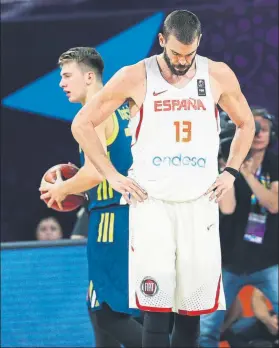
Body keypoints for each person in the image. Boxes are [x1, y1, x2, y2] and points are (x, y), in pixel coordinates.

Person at [70, 10, 255, 347]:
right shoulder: (135, 76)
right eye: (175, 54)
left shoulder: (216, 75)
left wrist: (230, 171)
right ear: (161, 42)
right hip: (152, 204)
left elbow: (247, 124)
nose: (183, 61)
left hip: (199, 205)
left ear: (199, 44)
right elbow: (82, 124)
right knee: (155, 308)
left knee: (191, 311)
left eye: (189, 53)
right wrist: (111, 174)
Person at [39, 47, 142, 347]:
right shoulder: (125, 106)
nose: (61, 82)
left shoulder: (92, 113)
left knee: (106, 313)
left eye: (67, 75)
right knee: (121, 312)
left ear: (88, 76)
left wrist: (60, 189)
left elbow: (96, 173)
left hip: (111, 219)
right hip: (137, 215)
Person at [200, 107, 278, 347]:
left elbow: (273, 205)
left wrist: (249, 176)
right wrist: (230, 169)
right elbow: (228, 208)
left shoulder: (275, 163)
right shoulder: (227, 160)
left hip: (269, 261)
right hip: (230, 261)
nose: (259, 134)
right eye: (254, 129)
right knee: (207, 331)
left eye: (264, 129)